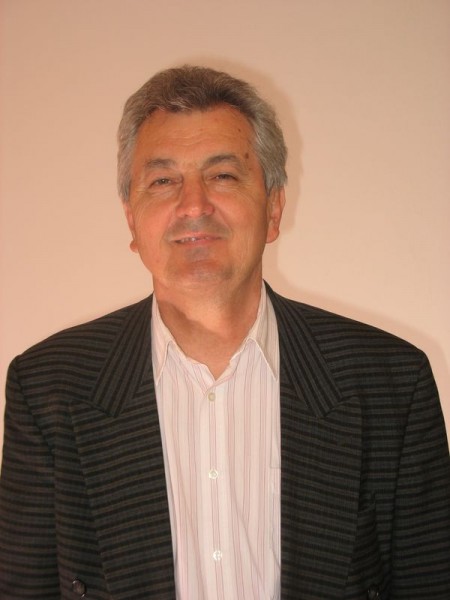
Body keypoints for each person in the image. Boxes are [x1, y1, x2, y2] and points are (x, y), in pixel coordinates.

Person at [1, 65, 449, 600]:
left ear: (274, 208)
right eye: (163, 181)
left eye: (223, 176)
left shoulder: (391, 384)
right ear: (131, 219)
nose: (193, 205)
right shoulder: (48, 389)